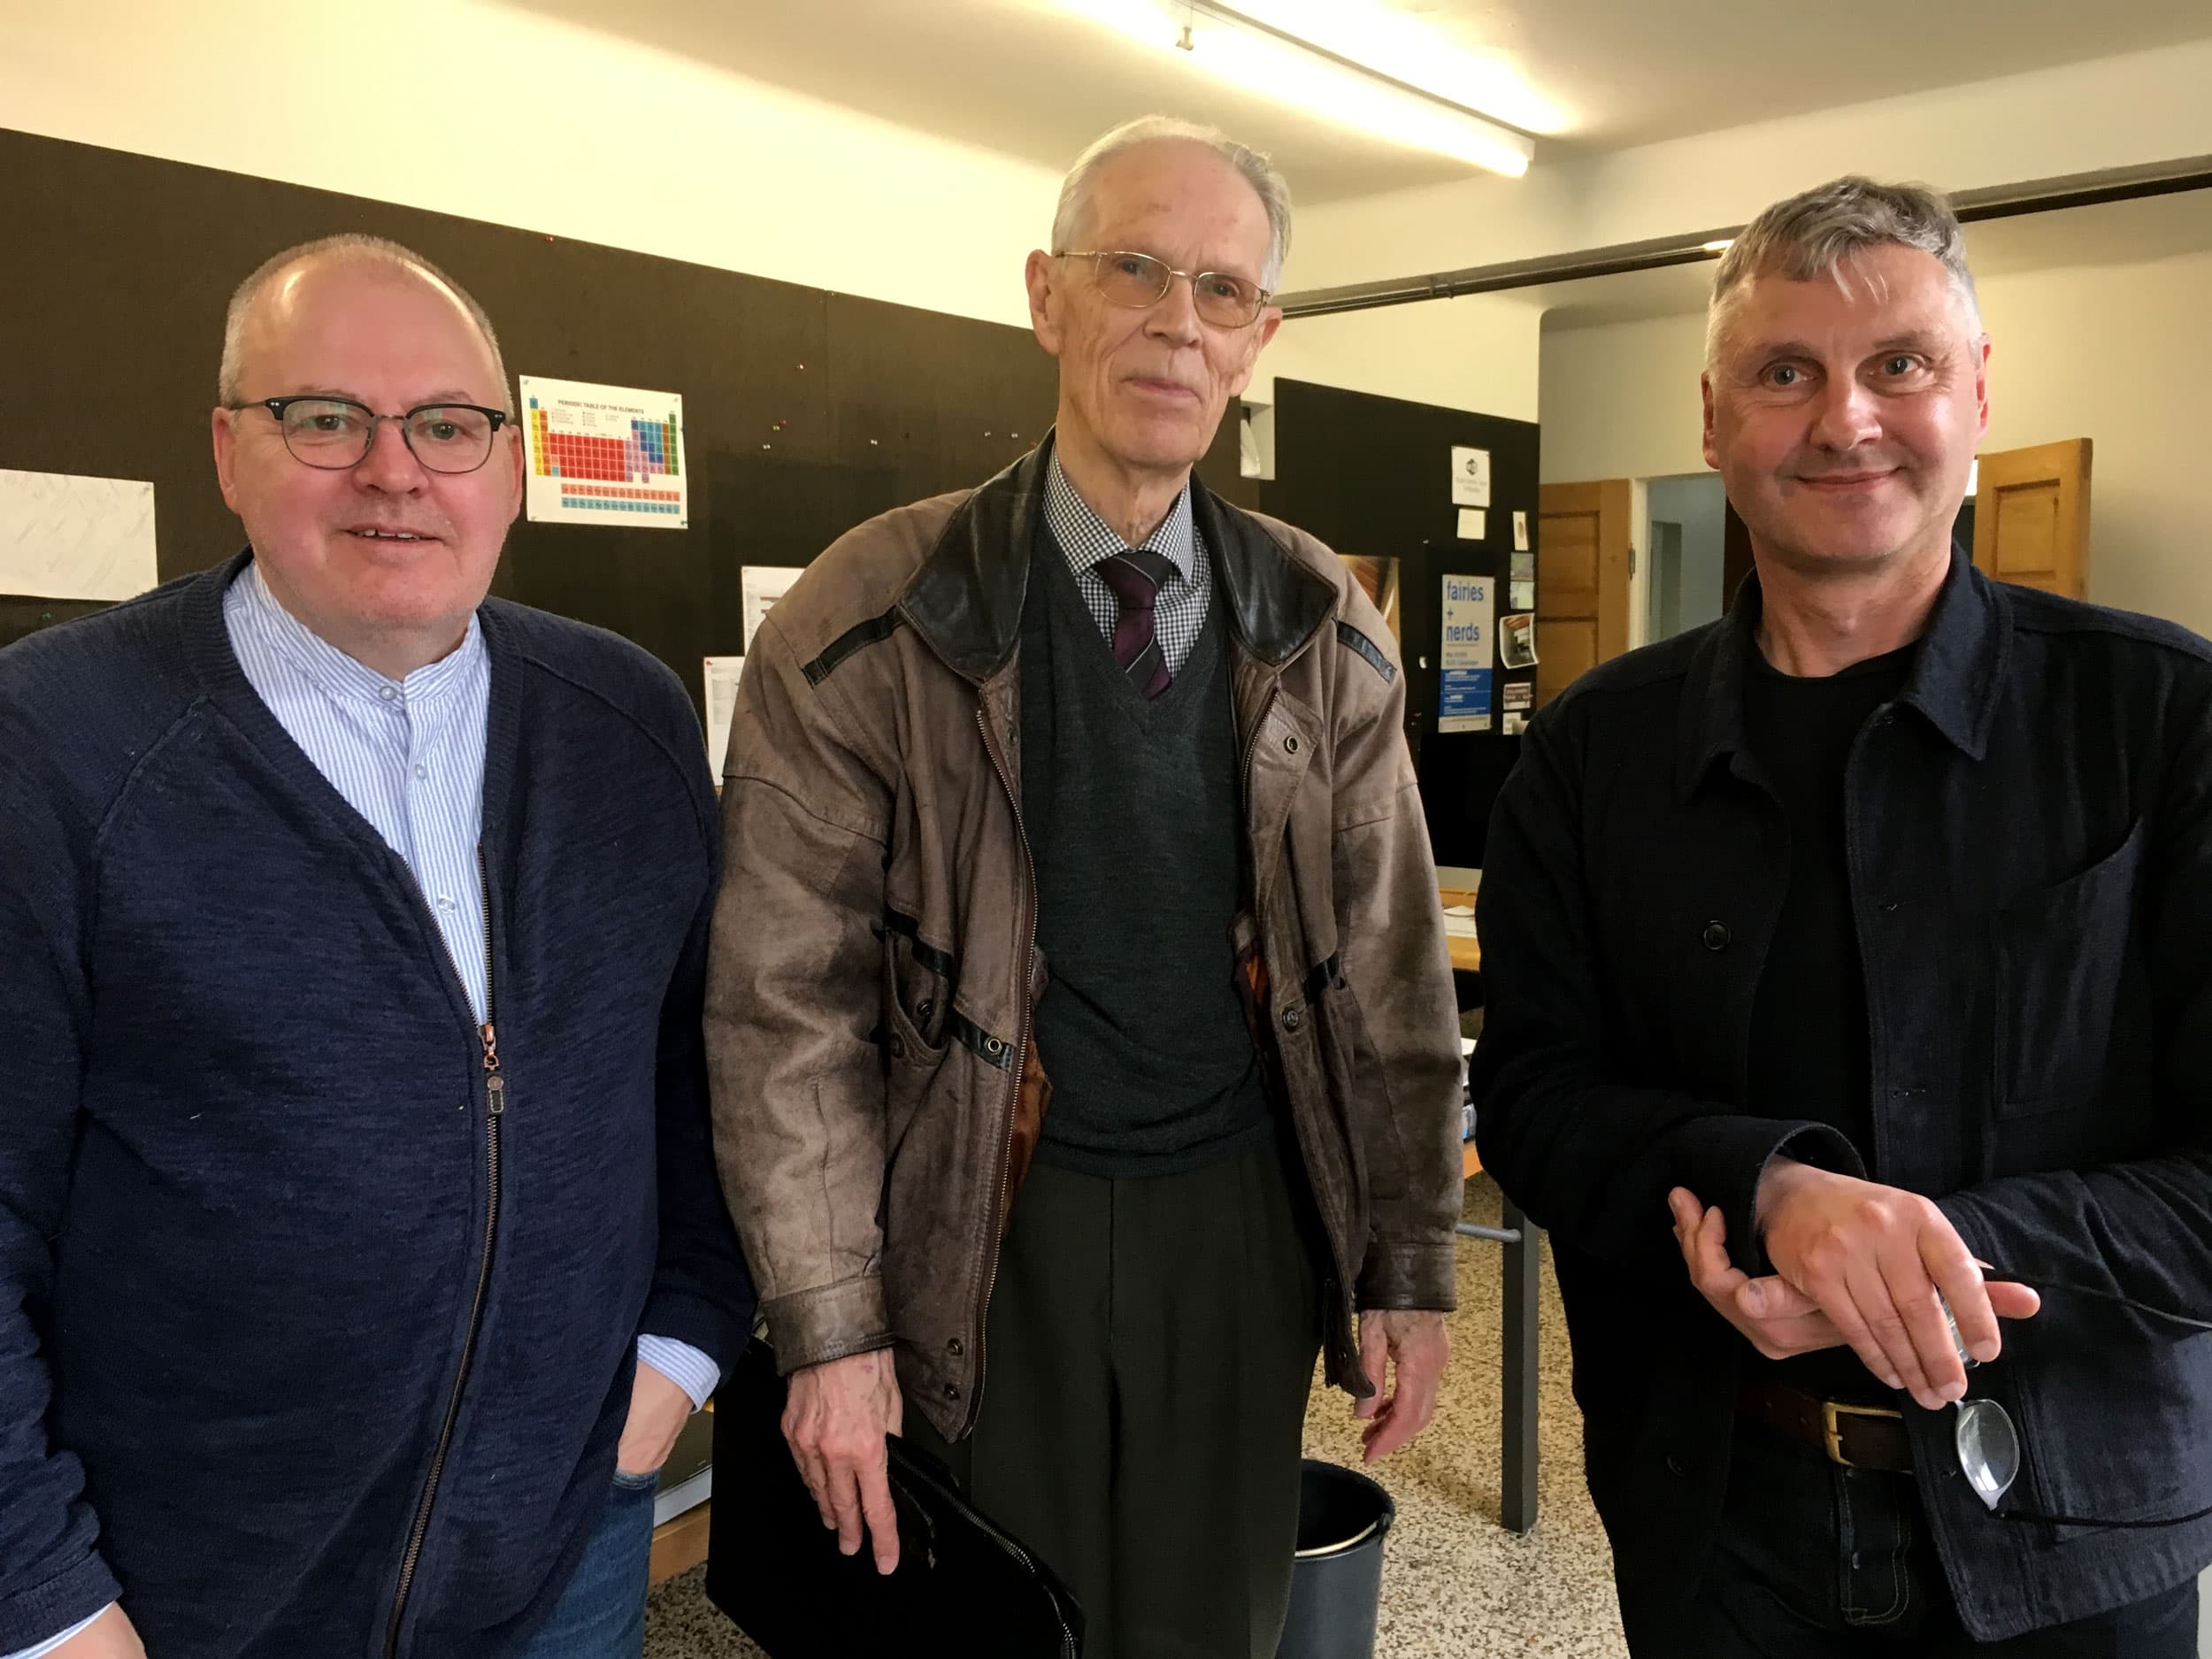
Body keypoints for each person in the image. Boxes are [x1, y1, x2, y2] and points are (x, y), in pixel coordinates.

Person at [705, 116, 1461, 1658]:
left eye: (1221, 289)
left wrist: (1409, 1261)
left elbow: (1389, 970)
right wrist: (829, 1325)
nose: (1177, 320)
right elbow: (786, 1008)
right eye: (1134, 269)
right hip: (980, 1222)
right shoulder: (868, 620)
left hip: (1241, 1222)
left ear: (1258, 340)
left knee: (1211, 1626)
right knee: (990, 1625)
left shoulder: (1323, 620)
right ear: (1048, 296)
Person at [1473, 175, 2212, 1656]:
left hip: (2074, 1531)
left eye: (1899, 364)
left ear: (1978, 392)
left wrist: (1921, 1248)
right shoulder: (1593, 751)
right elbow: (1535, 1098)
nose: (1845, 418)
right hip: (1716, 1520)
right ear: (1712, 419)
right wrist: (1772, 1194)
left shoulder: (2161, 720)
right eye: (1784, 372)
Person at [0, 235, 753, 1659]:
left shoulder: (625, 725)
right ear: (228, 452)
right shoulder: (56, 747)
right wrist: (42, 1604)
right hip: (186, 1594)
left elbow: (707, 1072)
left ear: (509, 465)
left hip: (564, 1544)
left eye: (449, 426)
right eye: (326, 417)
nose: (395, 472)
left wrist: (684, 1346)